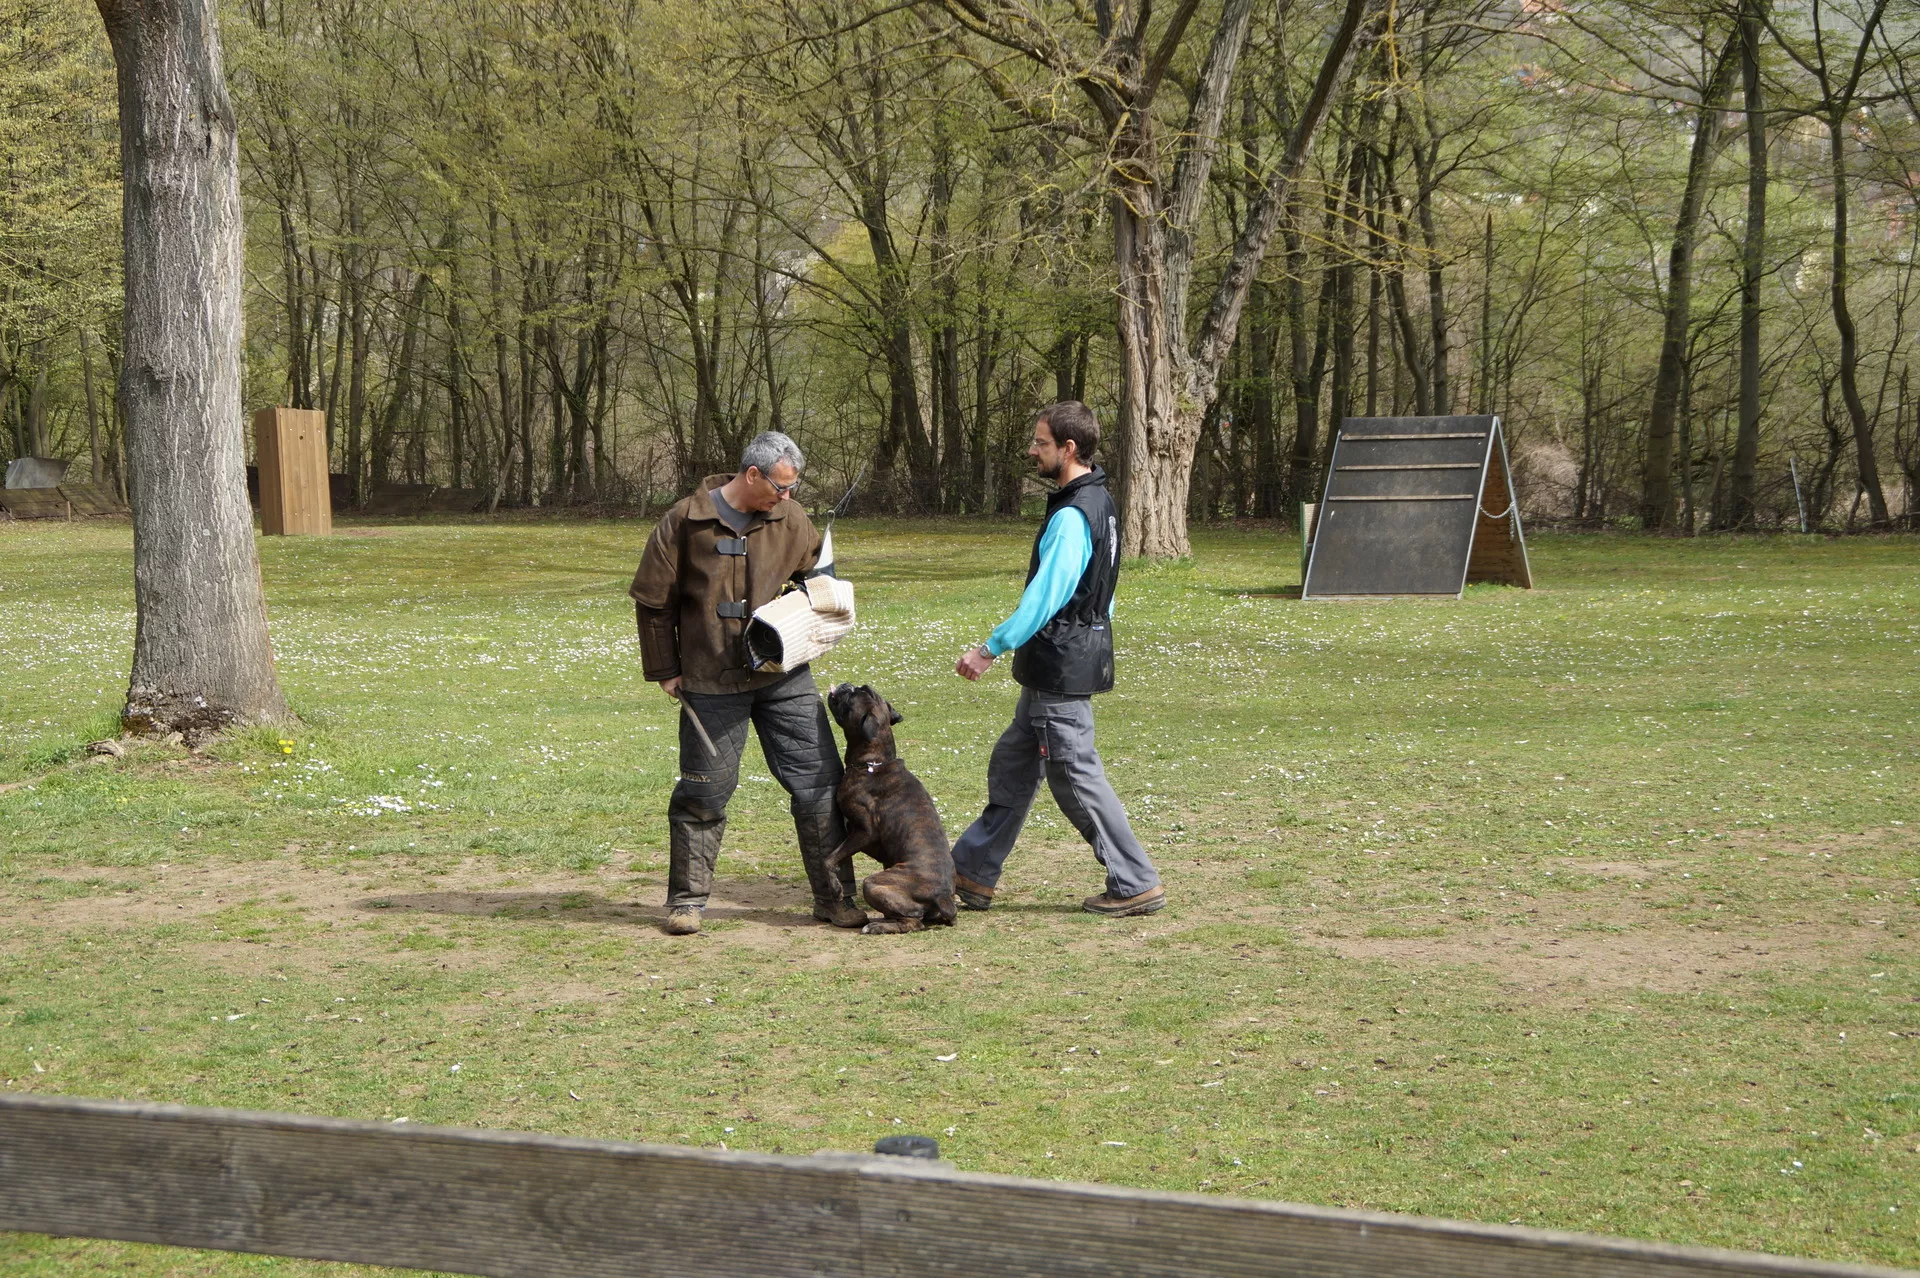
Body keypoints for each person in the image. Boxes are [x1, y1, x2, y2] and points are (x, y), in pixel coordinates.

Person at [629, 433, 865, 936]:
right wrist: (665, 668)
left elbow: (817, 583)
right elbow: (653, 602)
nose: (788, 496)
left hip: (785, 677)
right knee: (704, 793)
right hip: (709, 680)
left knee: (820, 786)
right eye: (780, 487)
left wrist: (818, 611)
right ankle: (687, 903)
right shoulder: (683, 521)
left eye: (793, 487)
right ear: (752, 474)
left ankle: (835, 898)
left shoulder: (792, 519)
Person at [950, 402, 1165, 918]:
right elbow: (1103, 589)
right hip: (1060, 663)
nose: (1032, 450)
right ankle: (970, 870)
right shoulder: (1100, 501)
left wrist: (989, 648)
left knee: (1074, 776)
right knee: (1014, 764)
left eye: (1041, 442)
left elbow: (1046, 596)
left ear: (1068, 449)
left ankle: (1134, 881)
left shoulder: (1073, 515)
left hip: (1060, 666)